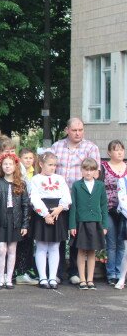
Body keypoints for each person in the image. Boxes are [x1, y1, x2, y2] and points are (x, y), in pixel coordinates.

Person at [51, 118, 100, 285]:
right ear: (67, 130)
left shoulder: (91, 148)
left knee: (76, 236)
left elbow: (95, 174)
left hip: (80, 201)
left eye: (81, 130)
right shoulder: (56, 147)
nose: (78, 133)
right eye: (74, 130)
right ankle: (56, 272)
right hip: (58, 200)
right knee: (58, 237)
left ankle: (74, 272)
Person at [30, 152, 72, 289]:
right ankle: (43, 277)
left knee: (54, 246)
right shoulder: (35, 179)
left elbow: (66, 195)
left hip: (57, 213)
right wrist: (45, 214)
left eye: (55, 165)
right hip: (42, 213)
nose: (53, 167)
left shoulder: (59, 178)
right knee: (41, 246)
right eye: (50, 165)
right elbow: (34, 198)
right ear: (41, 164)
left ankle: (52, 277)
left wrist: (60, 208)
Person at [0, 154, 30, 289]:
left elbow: (25, 205)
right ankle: (0, 278)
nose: (7, 166)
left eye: (10, 164)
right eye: (5, 164)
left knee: (12, 249)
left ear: (15, 166)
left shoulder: (21, 184)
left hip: (15, 220)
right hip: (2, 220)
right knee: (2, 249)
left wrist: (25, 224)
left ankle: (9, 279)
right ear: (1, 166)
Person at [70, 158, 108, 290]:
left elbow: (104, 206)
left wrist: (104, 225)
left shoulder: (100, 185)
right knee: (81, 250)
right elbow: (73, 207)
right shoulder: (76, 185)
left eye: (91, 170)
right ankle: (82, 279)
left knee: (92, 251)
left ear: (96, 171)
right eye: (86, 169)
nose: (88, 172)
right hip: (81, 222)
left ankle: (90, 279)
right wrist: (72, 225)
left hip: (96, 222)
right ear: (81, 170)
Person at [99, 140, 126, 285]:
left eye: (121, 149)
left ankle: (121, 273)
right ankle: (111, 274)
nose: (120, 152)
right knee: (111, 243)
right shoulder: (103, 167)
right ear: (109, 152)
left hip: (124, 211)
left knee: (122, 244)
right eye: (116, 150)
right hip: (108, 209)